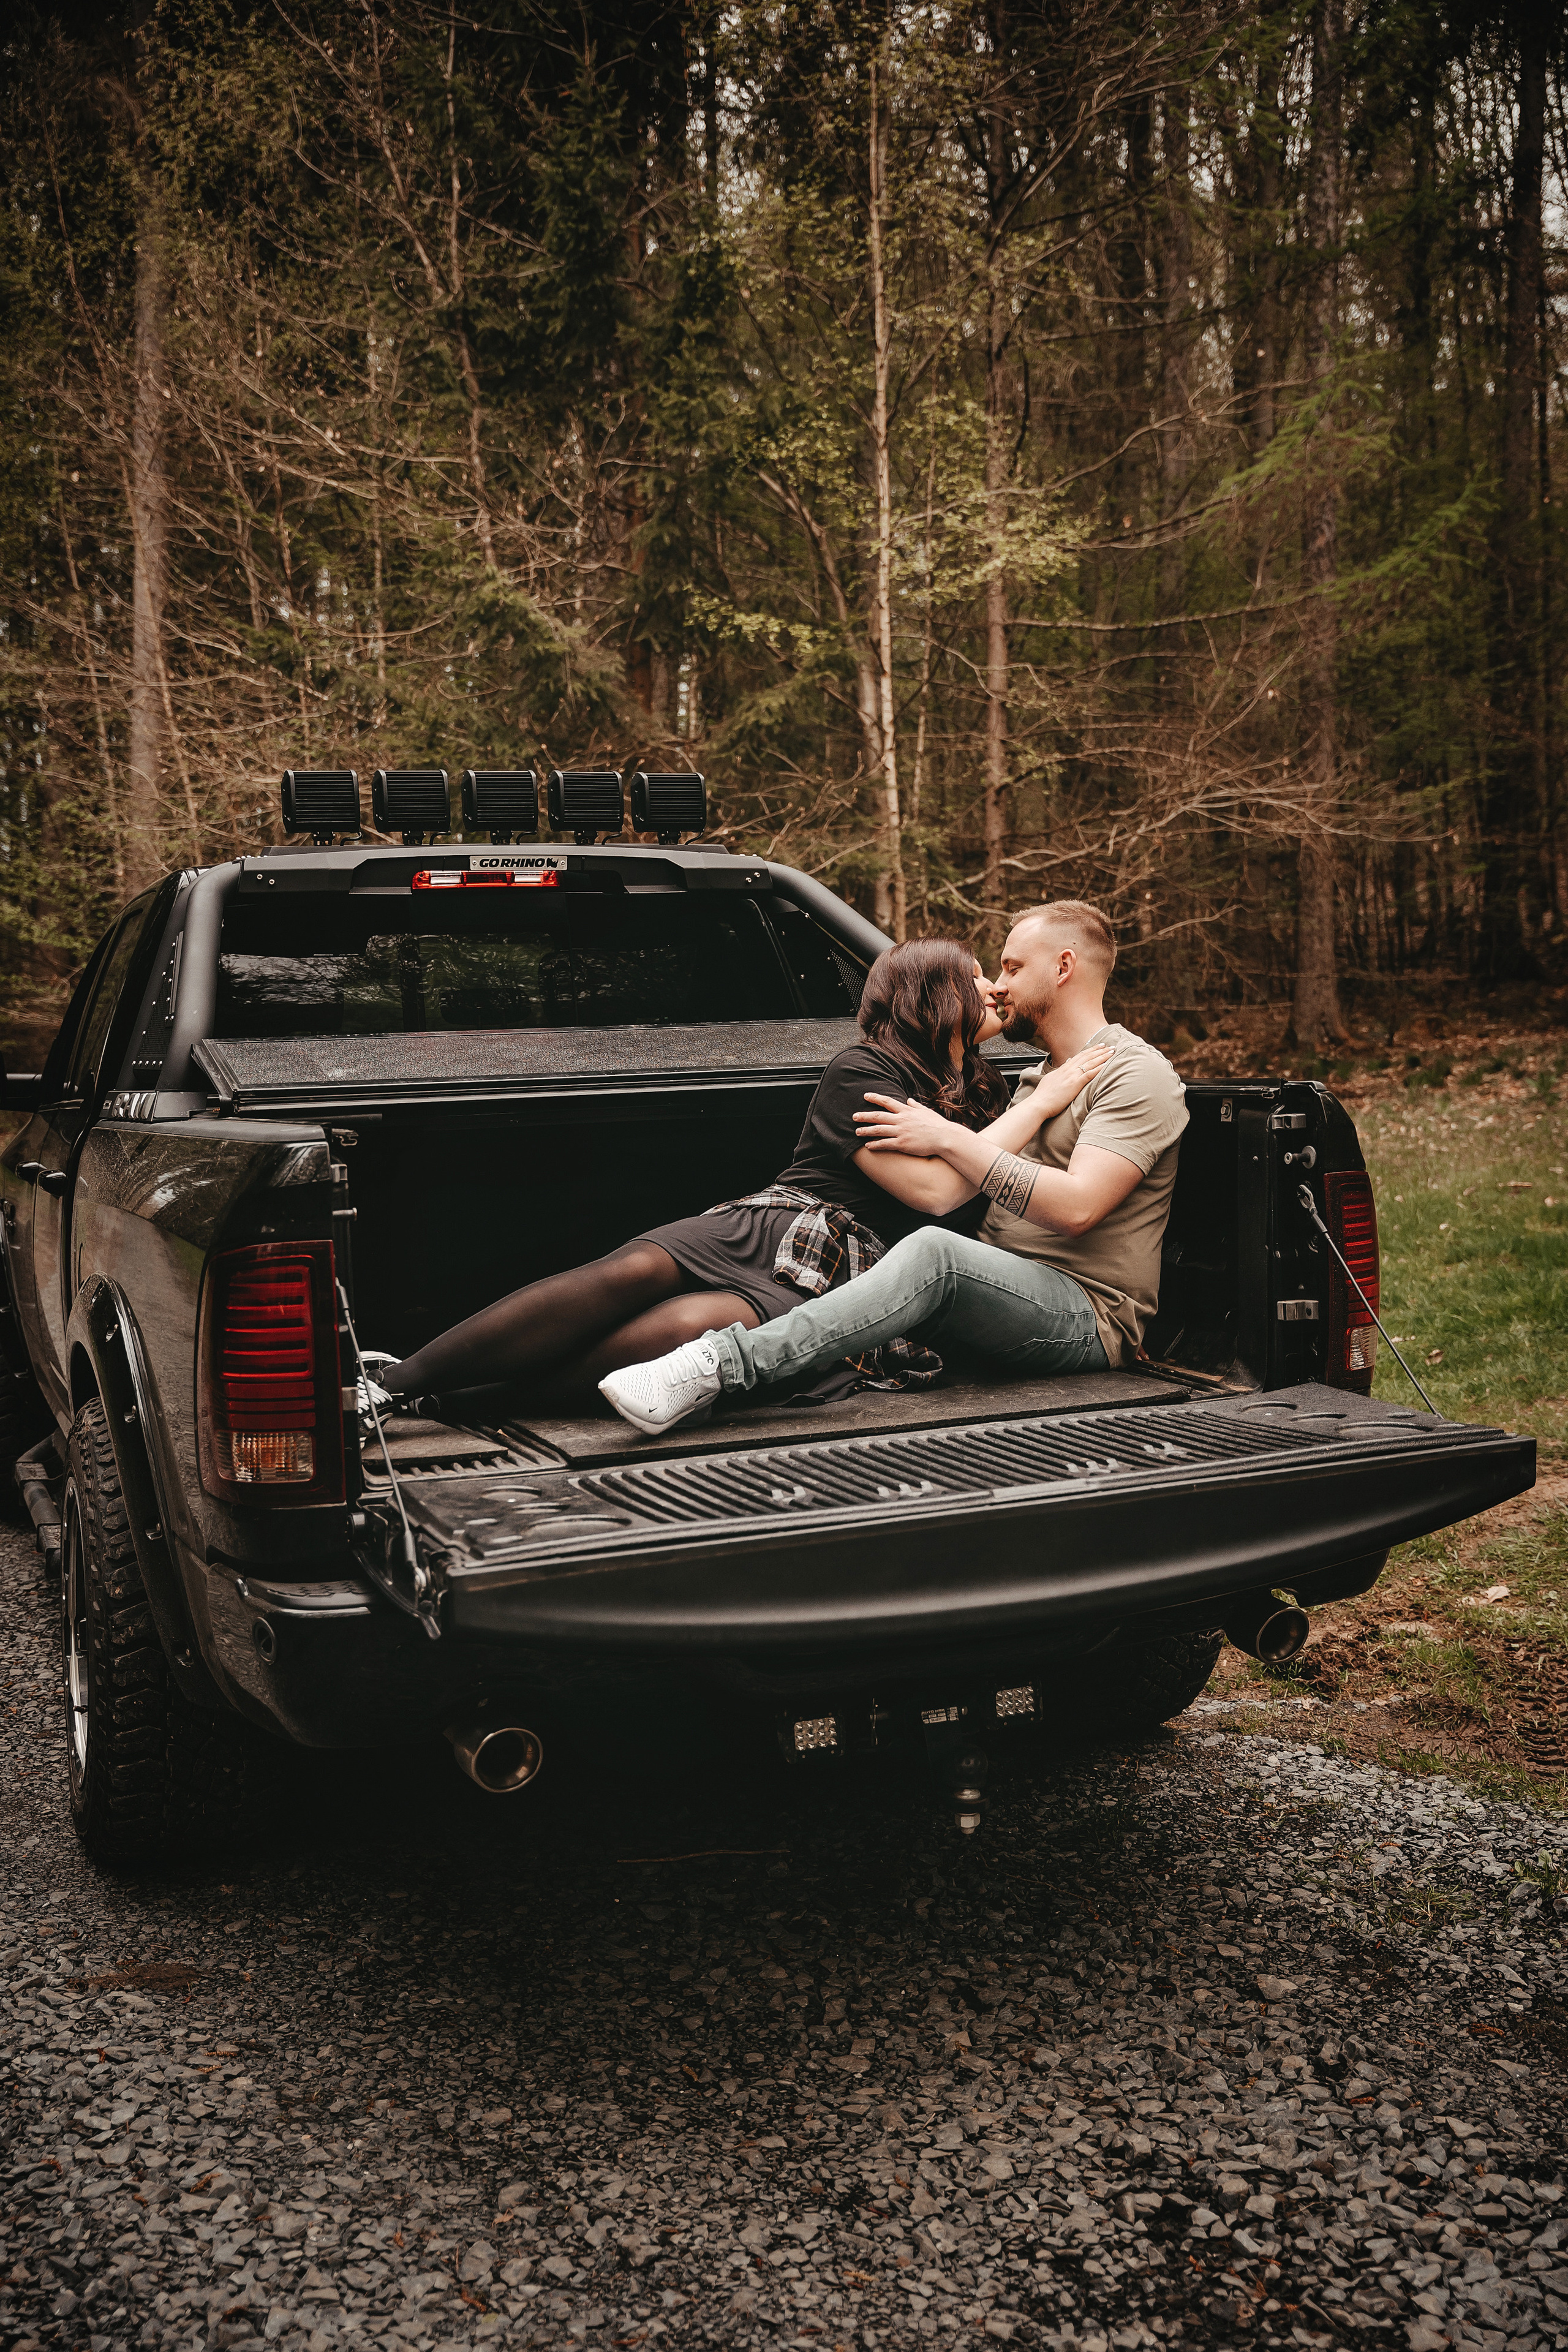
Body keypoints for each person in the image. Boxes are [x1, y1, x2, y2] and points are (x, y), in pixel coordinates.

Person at [361, 936, 1112, 1416]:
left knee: (691, 1329)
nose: (991, 990)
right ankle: (391, 1383)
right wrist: (1043, 1098)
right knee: (627, 1273)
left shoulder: (987, 1092)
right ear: (931, 996)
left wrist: (1014, 1108)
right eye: (973, 977)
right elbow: (937, 1191)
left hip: (863, 1276)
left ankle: (458, 1403)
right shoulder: (864, 1070)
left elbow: (968, 1181)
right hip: (782, 1227)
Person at [599, 898, 1188, 1434]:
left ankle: (715, 1367)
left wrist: (948, 1138)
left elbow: (1080, 1208)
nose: (999, 987)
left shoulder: (1133, 1072)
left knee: (935, 1254)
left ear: (1064, 967)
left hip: (1083, 1314)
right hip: (995, 1294)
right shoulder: (1034, 1081)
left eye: (1011, 968)